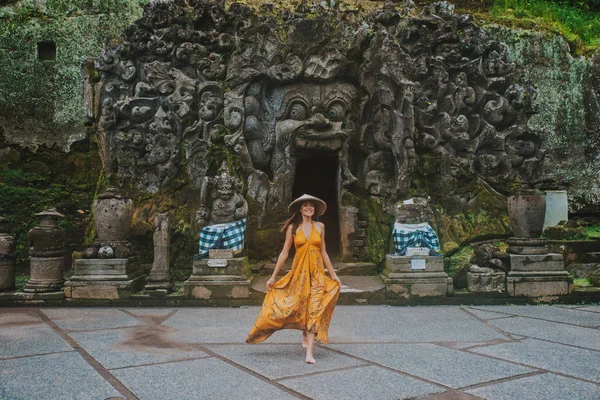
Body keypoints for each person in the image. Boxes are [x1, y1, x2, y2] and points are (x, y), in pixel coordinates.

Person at [246, 194, 341, 364]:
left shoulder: (320, 226)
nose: (309, 208)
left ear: (314, 209)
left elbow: (324, 252)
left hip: (317, 275)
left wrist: (333, 275)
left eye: (311, 205)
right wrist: (273, 277)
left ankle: (310, 353)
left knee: (314, 309)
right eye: (305, 205)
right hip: (299, 274)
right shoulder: (293, 228)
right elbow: (284, 253)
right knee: (295, 305)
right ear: (300, 209)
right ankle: (295, 331)